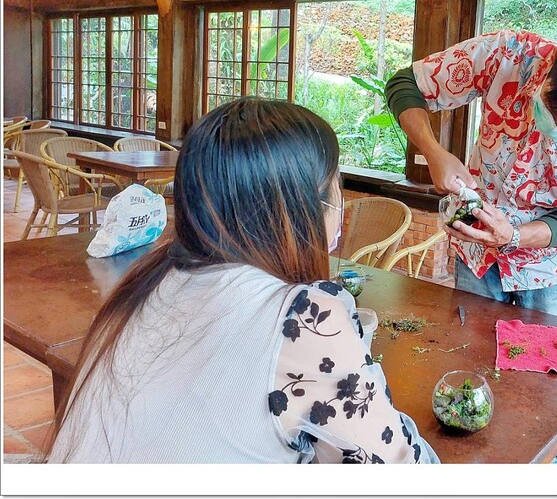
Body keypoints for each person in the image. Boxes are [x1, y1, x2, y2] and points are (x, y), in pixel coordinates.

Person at [47, 97, 437, 464]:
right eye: (336, 188)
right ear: (304, 207)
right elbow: (400, 467)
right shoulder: (306, 316)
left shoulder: (148, 280)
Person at [386, 19, 557, 319]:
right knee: (465, 351)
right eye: (551, 107)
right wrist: (433, 152)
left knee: (540, 361)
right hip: (477, 255)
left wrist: (513, 236)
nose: (555, 126)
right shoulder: (510, 54)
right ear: (554, 64)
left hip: (547, 269)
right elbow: (405, 84)